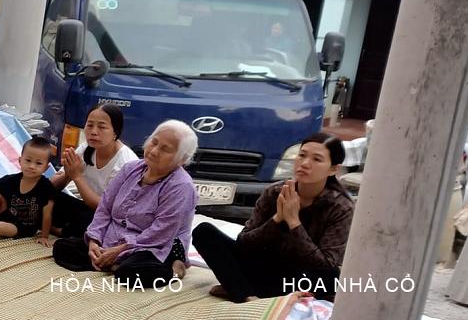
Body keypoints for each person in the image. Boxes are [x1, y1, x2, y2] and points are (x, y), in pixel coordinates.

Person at [193, 133, 353, 302]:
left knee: (331, 275)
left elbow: (324, 265)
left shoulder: (341, 207)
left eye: (317, 159)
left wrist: (294, 223)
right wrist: (277, 219)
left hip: (299, 277)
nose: (305, 163)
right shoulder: (275, 192)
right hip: (262, 267)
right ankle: (248, 296)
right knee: (204, 232)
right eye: (302, 155)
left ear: (333, 169)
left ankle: (240, 288)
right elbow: (244, 243)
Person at [51, 120, 199, 285]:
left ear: (182, 160)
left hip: (153, 245)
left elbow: (160, 233)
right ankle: (112, 264)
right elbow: (104, 208)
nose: (154, 151)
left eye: (165, 149)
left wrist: (118, 251)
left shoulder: (181, 187)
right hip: (113, 238)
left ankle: (172, 269)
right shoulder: (130, 169)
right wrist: (94, 241)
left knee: (130, 273)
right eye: (154, 142)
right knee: (62, 248)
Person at [48, 105, 139, 238]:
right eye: (90, 125)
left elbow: (106, 209)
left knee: (91, 222)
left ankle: (61, 231)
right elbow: (52, 187)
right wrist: (68, 172)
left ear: (115, 132)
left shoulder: (126, 163)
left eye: (101, 127)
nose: (94, 131)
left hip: (113, 218)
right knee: (41, 194)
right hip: (87, 208)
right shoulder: (85, 148)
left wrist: (77, 177)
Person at [0, 137, 58, 246]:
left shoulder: (47, 188)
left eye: (38, 163)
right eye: (28, 160)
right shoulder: (13, 179)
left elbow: (47, 214)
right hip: (6, 215)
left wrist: (44, 236)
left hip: (23, 227)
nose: (32, 166)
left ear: (46, 168)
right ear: (20, 161)